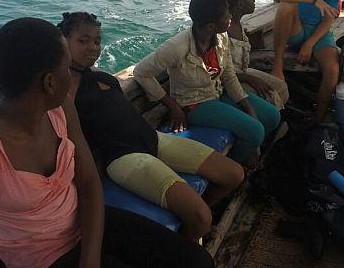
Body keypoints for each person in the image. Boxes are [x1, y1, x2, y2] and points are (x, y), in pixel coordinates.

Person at [0, 17, 213, 268]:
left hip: (88, 226)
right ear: (48, 81)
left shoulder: (60, 110)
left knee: (196, 260)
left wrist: (90, 260)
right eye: (64, 65)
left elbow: (88, 183)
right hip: (42, 256)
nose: (71, 72)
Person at [58, 12, 244, 243]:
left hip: (153, 139)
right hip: (125, 157)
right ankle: (189, 238)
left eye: (97, 40)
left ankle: (191, 223)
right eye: (82, 40)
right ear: (62, 41)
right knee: (202, 217)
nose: (93, 47)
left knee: (234, 174)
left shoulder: (102, 78)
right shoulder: (60, 91)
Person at [133, 0, 280, 167]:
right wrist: (173, 106)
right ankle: (234, 164)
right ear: (211, 26)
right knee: (255, 131)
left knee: (272, 116)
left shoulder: (220, 37)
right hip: (195, 104)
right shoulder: (177, 47)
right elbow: (141, 72)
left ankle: (244, 151)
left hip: (217, 94)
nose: (230, 17)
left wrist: (248, 108)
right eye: (226, 15)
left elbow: (229, 76)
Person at [271, 0, 342, 122]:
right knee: (286, 5)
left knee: (333, 70)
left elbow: (330, 17)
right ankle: (277, 63)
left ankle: (319, 119)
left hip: (319, 33)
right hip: (296, 28)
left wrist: (310, 43)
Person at [219, 0, 290, 109]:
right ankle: (268, 121)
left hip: (242, 72)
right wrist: (251, 79)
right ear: (240, 4)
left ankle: (276, 118)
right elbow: (222, 73)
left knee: (281, 86)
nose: (254, 1)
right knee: (269, 95)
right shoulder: (223, 30)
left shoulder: (238, 24)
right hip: (228, 81)